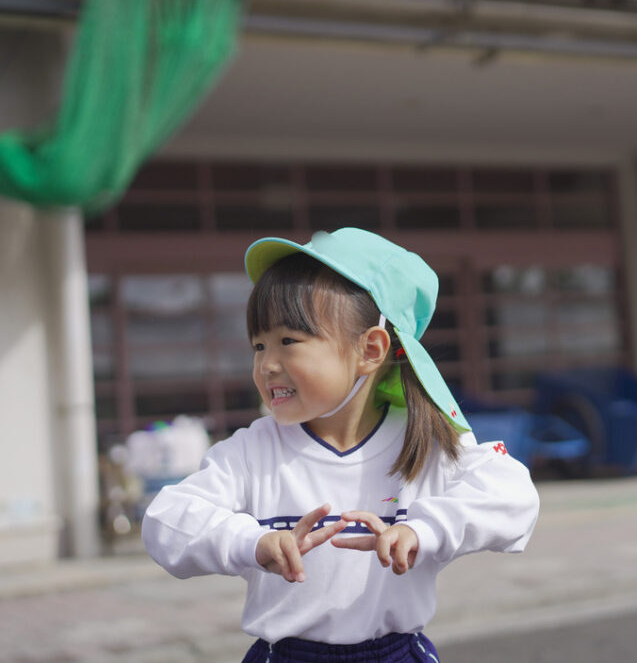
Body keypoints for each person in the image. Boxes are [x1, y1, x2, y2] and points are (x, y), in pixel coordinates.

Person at [142, 228, 540, 662]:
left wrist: (423, 530)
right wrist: (251, 543)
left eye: (288, 341)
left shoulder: (423, 444)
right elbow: (165, 521)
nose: (267, 364)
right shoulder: (252, 451)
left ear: (370, 349)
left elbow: (515, 498)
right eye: (259, 344)